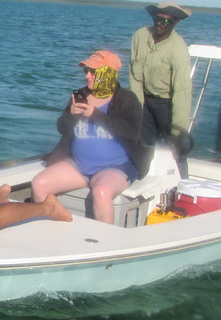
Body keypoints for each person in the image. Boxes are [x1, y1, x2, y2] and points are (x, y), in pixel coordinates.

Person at [31, 50, 151, 224]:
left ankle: (103, 244)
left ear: (109, 74)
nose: (88, 76)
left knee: (101, 193)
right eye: (86, 71)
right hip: (79, 166)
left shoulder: (127, 99)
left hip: (116, 167)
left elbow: (130, 132)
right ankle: (54, 232)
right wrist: (71, 115)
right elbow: (62, 128)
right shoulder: (80, 95)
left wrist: (95, 114)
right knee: (39, 184)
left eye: (93, 72)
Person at [128, 1, 194, 175]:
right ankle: (139, 180)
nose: (160, 23)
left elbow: (182, 91)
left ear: (175, 23)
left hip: (167, 104)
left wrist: (178, 129)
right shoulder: (139, 36)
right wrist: (137, 109)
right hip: (144, 99)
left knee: (175, 149)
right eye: (157, 18)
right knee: (140, 145)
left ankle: (182, 186)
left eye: (166, 21)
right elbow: (134, 76)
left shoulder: (178, 49)